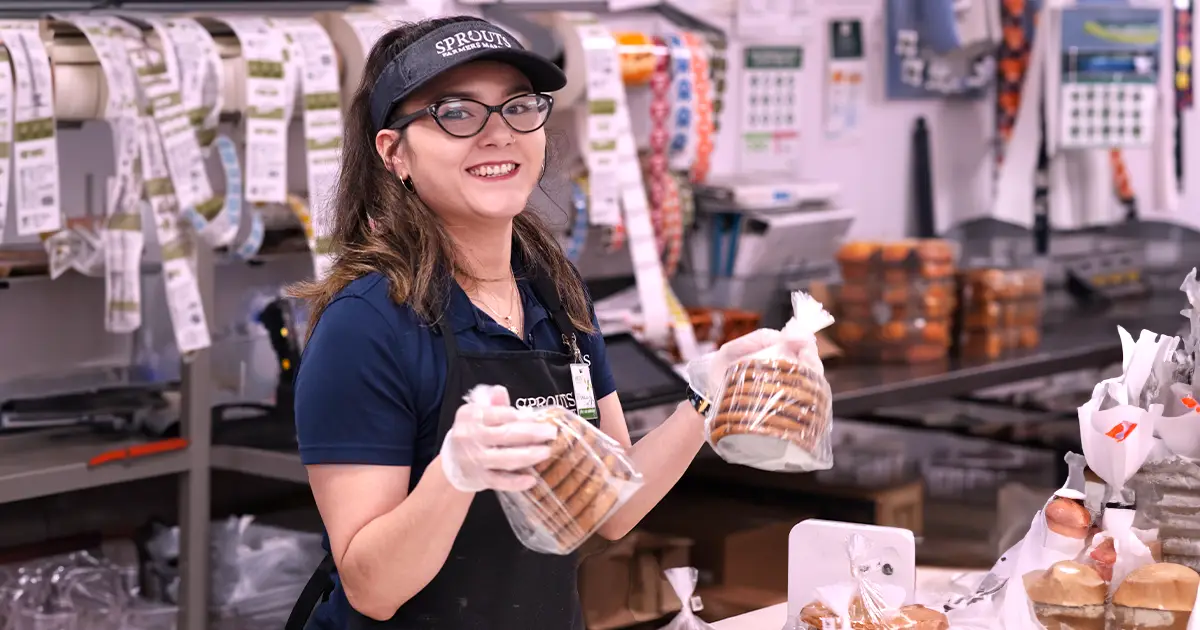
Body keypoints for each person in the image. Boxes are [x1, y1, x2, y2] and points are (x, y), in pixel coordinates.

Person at [285, 15, 792, 630]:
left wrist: (706, 399)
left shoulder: (554, 290)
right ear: (395, 154)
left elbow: (611, 505)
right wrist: (454, 474)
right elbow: (372, 589)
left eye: (518, 107)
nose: (498, 134)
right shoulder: (365, 326)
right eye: (457, 113)